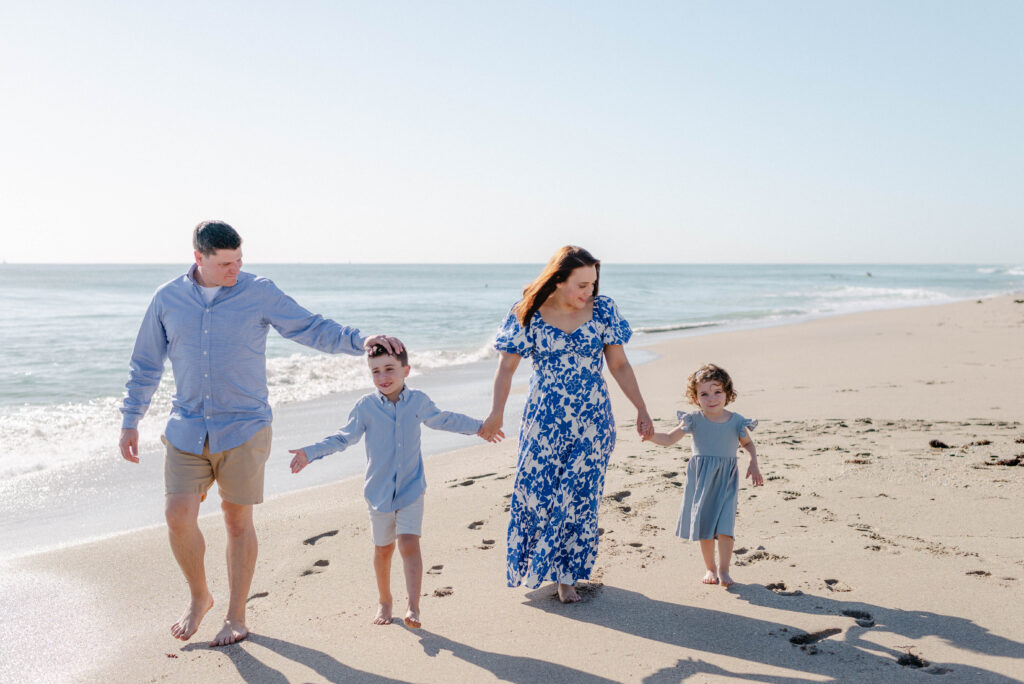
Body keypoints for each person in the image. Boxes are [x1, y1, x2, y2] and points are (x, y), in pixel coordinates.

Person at [118, 220, 403, 647]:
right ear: (198, 258)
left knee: (237, 520)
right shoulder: (167, 298)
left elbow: (311, 327)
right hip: (187, 426)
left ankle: (236, 615)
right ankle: (200, 597)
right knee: (177, 516)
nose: (235, 269)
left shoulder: (259, 292)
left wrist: (361, 340)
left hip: (244, 427)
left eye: (239, 260)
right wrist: (131, 418)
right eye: (225, 263)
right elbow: (146, 364)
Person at [479, 245, 652, 603]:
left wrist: (641, 408)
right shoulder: (527, 312)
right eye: (582, 285)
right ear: (558, 280)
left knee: (580, 497)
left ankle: (567, 576)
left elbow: (619, 365)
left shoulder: (603, 310)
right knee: (537, 494)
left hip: (593, 419)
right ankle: (540, 566)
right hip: (544, 420)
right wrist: (496, 412)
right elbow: (506, 368)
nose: (590, 291)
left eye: (593, 283)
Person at [288, 344, 500, 629]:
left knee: (409, 543)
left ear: (406, 370)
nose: (383, 377)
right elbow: (343, 438)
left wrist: (480, 427)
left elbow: (444, 419)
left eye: (389, 369)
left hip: (411, 488)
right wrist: (310, 453)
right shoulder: (366, 407)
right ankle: (385, 600)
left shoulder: (418, 402)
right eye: (375, 371)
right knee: (383, 550)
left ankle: (413, 606)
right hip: (378, 493)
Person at [643, 363, 763, 588]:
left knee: (725, 527)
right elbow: (669, 439)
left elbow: (747, 444)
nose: (712, 398)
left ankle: (724, 570)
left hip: (726, 480)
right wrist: (650, 436)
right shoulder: (693, 419)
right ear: (695, 397)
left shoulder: (736, 421)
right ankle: (710, 568)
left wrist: (753, 463)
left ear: (727, 392)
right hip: (701, 480)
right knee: (705, 526)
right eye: (704, 394)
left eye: (717, 391)